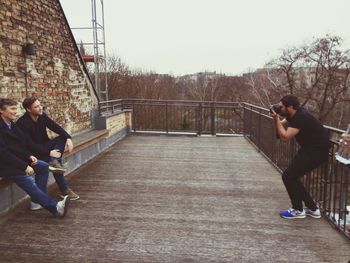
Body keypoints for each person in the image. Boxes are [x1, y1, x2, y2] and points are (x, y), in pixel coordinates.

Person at [0, 98, 69, 217]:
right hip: (4, 164)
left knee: (43, 166)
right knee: (27, 179)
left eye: (16, 108)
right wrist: (24, 166)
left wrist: (29, 156)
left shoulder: (11, 124)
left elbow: (22, 144)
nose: (15, 112)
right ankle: (55, 207)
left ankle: (36, 202)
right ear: (1, 111)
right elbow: (3, 153)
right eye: (12, 109)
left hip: (16, 159)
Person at [270, 95, 330, 219]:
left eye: (281, 107)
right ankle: (313, 209)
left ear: (290, 107)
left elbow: (285, 136)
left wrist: (276, 118)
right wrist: (275, 118)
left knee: (288, 176)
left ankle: (298, 210)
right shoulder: (292, 115)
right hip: (310, 149)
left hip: (317, 152)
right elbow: (280, 130)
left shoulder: (300, 117)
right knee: (292, 176)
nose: (279, 108)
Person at [17, 97, 79, 201]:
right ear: (28, 109)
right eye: (36, 107)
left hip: (45, 147)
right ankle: (64, 190)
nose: (40, 108)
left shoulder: (42, 116)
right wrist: (49, 152)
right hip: (32, 154)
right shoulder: (22, 123)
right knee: (55, 164)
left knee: (61, 138)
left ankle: (55, 161)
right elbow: (30, 145)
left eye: (40, 105)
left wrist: (68, 138)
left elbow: (55, 127)